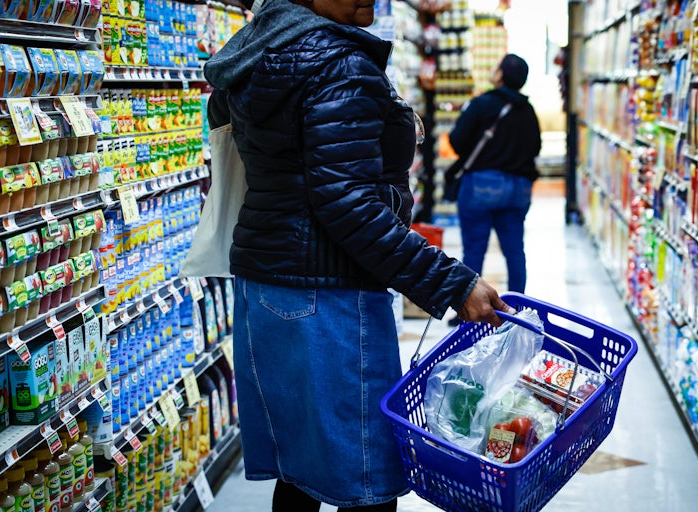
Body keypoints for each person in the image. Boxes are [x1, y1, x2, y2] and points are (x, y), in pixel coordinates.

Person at [203, 1, 514, 511]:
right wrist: (452, 283)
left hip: (268, 286)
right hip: (329, 292)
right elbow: (349, 205)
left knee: (300, 472)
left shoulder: (264, 49)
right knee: (368, 479)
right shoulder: (337, 62)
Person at [448, 54, 541, 313]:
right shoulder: (528, 110)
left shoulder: (481, 104)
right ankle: (518, 309)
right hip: (518, 189)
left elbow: (457, 141)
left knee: (474, 250)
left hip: (481, 186)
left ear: (500, 75)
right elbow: (536, 147)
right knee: (514, 250)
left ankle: (468, 308)